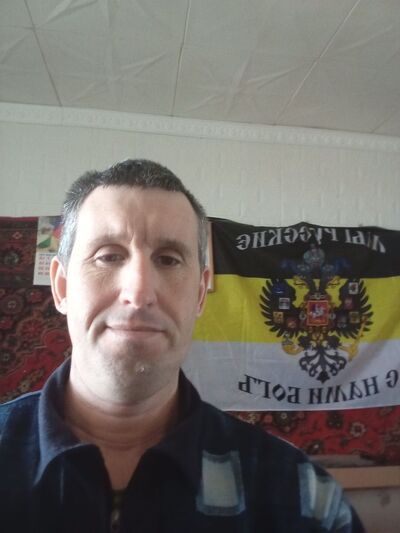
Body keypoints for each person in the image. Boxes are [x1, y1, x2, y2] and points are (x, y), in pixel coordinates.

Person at [0, 159, 365, 532]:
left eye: (168, 259)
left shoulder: (307, 499)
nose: (139, 293)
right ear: (61, 287)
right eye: (108, 256)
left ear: (200, 295)